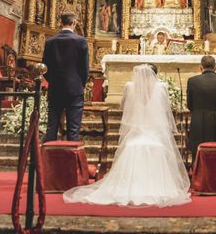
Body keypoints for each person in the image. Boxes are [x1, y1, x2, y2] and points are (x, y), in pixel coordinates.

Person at [64, 64, 191, 206]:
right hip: (155, 135)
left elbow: (124, 107)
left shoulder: (130, 86)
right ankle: (158, 186)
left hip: (135, 134)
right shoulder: (161, 87)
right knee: (157, 147)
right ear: (156, 74)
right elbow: (167, 109)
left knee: (131, 146)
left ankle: (128, 186)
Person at [43, 12, 89, 142]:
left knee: (51, 128)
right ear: (74, 23)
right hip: (74, 89)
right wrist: (81, 84)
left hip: (55, 88)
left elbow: (45, 67)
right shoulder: (81, 41)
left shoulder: (50, 42)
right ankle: (70, 160)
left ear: (61, 23)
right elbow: (84, 69)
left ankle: (47, 161)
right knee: (73, 130)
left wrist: (53, 81)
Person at [186, 55, 216, 162]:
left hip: (198, 122)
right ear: (215, 67)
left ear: (200, 67)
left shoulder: (192, 81)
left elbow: (190, 105)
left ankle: (198, 174)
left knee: (198, 152)